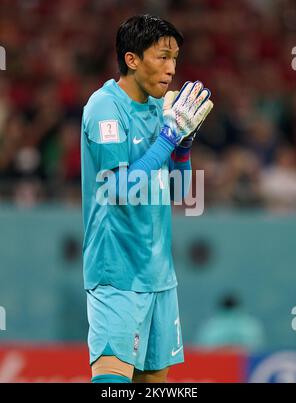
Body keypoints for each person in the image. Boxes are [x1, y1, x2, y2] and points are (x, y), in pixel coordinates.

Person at [81, 14, 213, 384]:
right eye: (162, 57)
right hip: (116, 275)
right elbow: (119, 190)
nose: (172, 69)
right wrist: (169, 139)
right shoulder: (105, 108)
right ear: (132, 59)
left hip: (160, 278)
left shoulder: (160, 109)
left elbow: (180, 192)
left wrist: (183, 148)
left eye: (175, 59)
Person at [195, 293, 266, 352]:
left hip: (215, 364)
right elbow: (257, 348)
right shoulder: (251, 325)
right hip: (244, 365)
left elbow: (202, 349)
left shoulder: (210, 326)